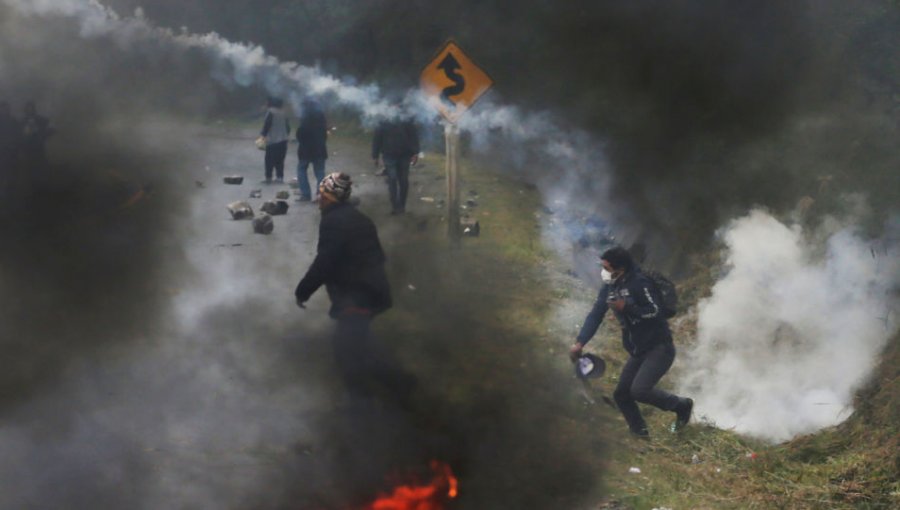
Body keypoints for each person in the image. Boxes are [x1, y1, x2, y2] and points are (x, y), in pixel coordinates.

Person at [295, 172, 416, 406]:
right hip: (371, 291)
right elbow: (378, 256)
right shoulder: (359, 218)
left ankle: (363, 405)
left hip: (357, 296)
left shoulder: (333, 222)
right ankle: (402, 385)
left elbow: (325, 262)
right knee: (362, 345)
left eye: (322, 195)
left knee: (347, 352)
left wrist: (303, 290)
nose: (319, 201)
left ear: (330, 198)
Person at [570, 246, 693, 437]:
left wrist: (627, 307)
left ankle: (682, 405)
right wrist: (580, 342)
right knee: (621, 395)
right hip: (638, 350)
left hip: (659, 348)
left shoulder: (640, 283)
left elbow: (655, 312)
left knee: (639, 390)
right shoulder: (610, 287)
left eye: (607, 268)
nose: (604, 272)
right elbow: (596, 315)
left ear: (621, 269)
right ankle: (640, 435)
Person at [371, 106, 419, 215]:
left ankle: (402, 205)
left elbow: (413, 137)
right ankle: (395, 206)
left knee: (403, 181)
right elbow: (377, 139)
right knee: (392, 179)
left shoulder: (406, 120)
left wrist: (415, 153)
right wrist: (375, 156)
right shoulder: (383, 122)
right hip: (389, 156)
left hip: (405, 155)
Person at [295, 97, 328, 202]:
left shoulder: (305, 118)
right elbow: (324, 135)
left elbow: (300, 134)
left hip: (306, 150)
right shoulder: (321, 119)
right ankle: (320, 194)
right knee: (320, 172)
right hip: (319, 149)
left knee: (301, 170)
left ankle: (305, 194)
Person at [259, 97, 290, 184]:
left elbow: (267, 124)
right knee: (280, 160)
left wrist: (263, 135)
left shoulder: (271, 112)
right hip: (283, 141)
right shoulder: (284, 113)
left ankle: (269, 177)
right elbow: (288, 127)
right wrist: (285, 135)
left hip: (272, 140)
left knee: (269, 160)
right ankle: (279, 177)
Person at [20, 100, 53, 177]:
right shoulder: (23, 121)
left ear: (34, 109)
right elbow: (20, 134)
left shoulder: (40, 119)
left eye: (31, 108)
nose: (30, 110)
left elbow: (52, 128)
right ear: (25, 110)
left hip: (38, 147)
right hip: (28, 148)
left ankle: (42, 180)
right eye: (28, 109)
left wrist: (43, 135)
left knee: (40, 165)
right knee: (30, 167)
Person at [0, 101, 21, 193]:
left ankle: (10, 190)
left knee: (11, 171)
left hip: (11, 151)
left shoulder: (13, 121)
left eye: (6, 108)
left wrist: (15, 146)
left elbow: (18, 135)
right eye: (3, 108)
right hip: (1, 150)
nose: (5, 110)